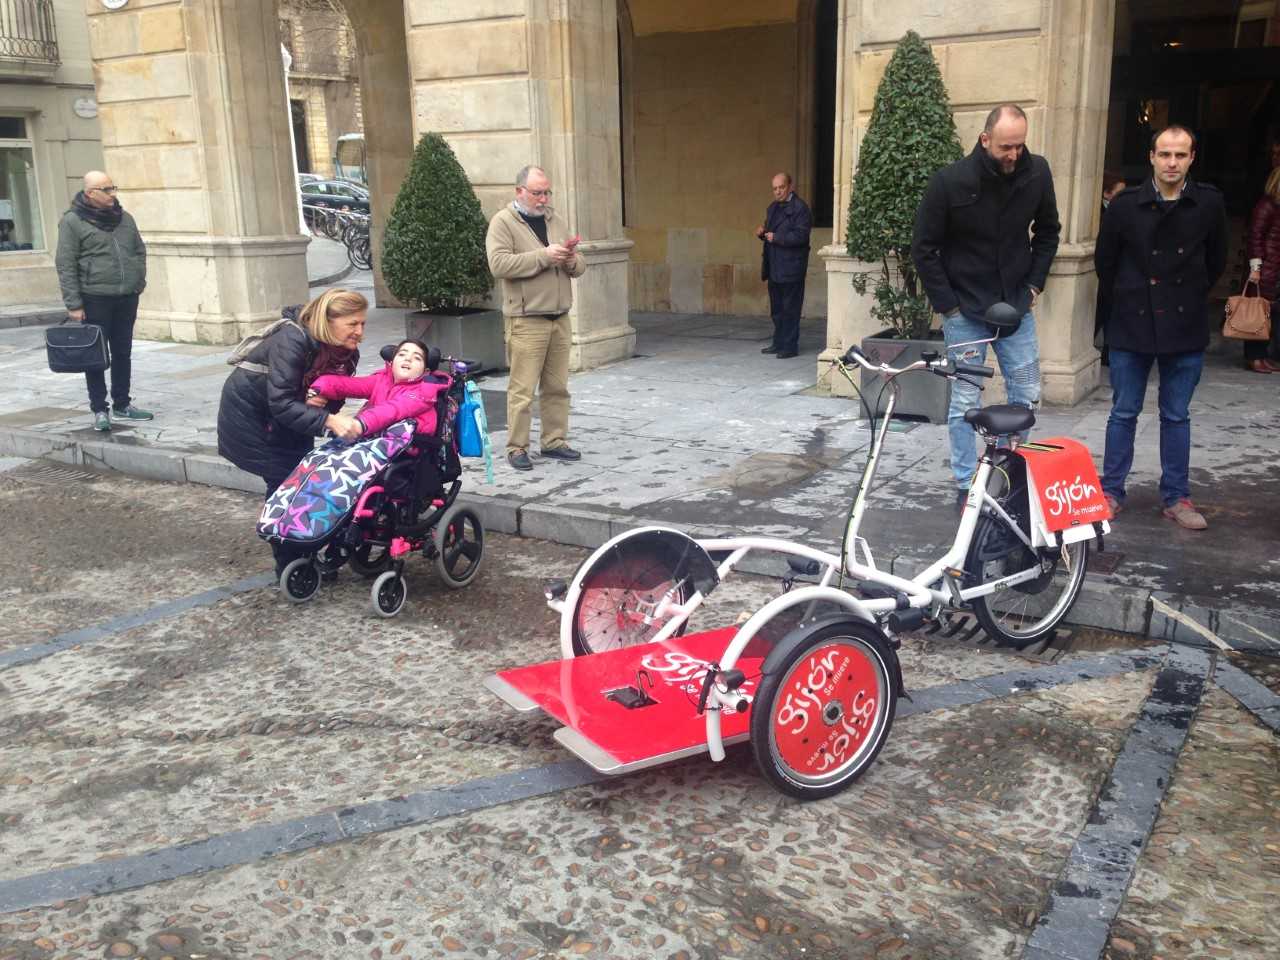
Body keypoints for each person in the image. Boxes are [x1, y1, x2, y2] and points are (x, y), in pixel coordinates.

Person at [911, 103, 1061, 506]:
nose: (1014, 155)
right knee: (964, 400)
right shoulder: (949, 182)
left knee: (1026, 394)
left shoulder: (1038, 171)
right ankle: (965, 485)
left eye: (1019, 146)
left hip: (1016, 306)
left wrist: (1034, 286)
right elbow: (924, 248)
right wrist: (949, 306)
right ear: (984, 139)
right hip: (966, 311)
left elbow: (1049, 232)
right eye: (1005, 147)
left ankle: (1010, 475)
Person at [1095, 125, 1227, 531]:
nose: (1172, 163)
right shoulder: (1124, 205)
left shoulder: (1208, 203)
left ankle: (1176, 496)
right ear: (1151, 156)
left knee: (1176, 415)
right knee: (1123, 411)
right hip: (1132, 323)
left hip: (1184, 324)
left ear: (1191, 158)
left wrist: (1187, 293)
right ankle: (1111, 490)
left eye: (1180, 155)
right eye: (1165, 154)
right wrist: (1130, 296)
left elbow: (1216, 260)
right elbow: (1106, 262)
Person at [216, 288, 366, 572]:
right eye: (352, 324)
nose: (359, 331)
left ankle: (307, 550)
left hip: (289, 418)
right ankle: (291, 565)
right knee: (284, 484)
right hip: (254, 418)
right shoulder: (292, 340)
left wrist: (321, 400)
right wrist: (328, 420)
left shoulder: (345, 350)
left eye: (363, 323)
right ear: (328, 321)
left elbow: (336, 392)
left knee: (302, 479)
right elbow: (282, 403)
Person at [485, 165, 587, 472]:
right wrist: (544, 257)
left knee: (557, 386)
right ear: (520, 192)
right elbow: (499, 264)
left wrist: (570, 259)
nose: (543, 199)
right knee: (522, 389)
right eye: (537, 193)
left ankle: (554, 441)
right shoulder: (503, 222)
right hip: (527, 319)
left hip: (559, 317)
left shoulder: (554, 219)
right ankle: (517, 447)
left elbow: (580, 267)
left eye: (546, 192)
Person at [55, 170, 151, 432]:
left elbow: (139, 250)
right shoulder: (72, 222)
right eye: (106, 190)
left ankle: (122, 403)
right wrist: (74, 304)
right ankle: (100, 408)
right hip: (94, 298)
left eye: (113, 188)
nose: (113, 194)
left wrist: (138, 281)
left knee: (123, 352)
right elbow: (65, 264)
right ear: (90, 194)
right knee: (95, 356)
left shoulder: (125, 218)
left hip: (126, 297)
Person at [306, 339, 451, 436]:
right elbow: (347, 385)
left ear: (425, 372)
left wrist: (360, 424)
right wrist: (317, 390)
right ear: (391, 362)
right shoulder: (381, 380)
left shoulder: (423, 393)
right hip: (371, 442)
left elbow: (393, 410)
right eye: (402, 354)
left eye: (417, 358)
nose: (408, 359)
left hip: (403, 456)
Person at [756, 172, 812, 359]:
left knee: (790, 308)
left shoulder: (800, 208)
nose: (778, 191)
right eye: (775, 188)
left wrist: (776, 237)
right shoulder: (772, 208)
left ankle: (789, 347)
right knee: (777, 309)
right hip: (774, 266)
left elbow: (801, 236)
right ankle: (778, 342)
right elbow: (770, 231)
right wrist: (762, 232)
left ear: (790, 187)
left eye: (781, 187)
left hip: (791, 267)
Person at [1243, 166, 1280, 373]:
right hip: (1266, 268)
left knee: (1270, 314)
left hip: (1274, 268)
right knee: (1257, 312)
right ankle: (1254, 357)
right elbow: (1255, 237)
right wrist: (1255, 268)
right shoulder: (1266, 206)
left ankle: (1262, 355)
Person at [1095, 170, 1128, 366]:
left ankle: (1108, 352)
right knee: (1100, 315)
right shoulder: (1100, 213)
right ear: (1107, 193)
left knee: (1109, 315)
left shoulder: (1118, 211)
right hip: (1103, 275)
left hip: (1113, 276)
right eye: (1119, 192)